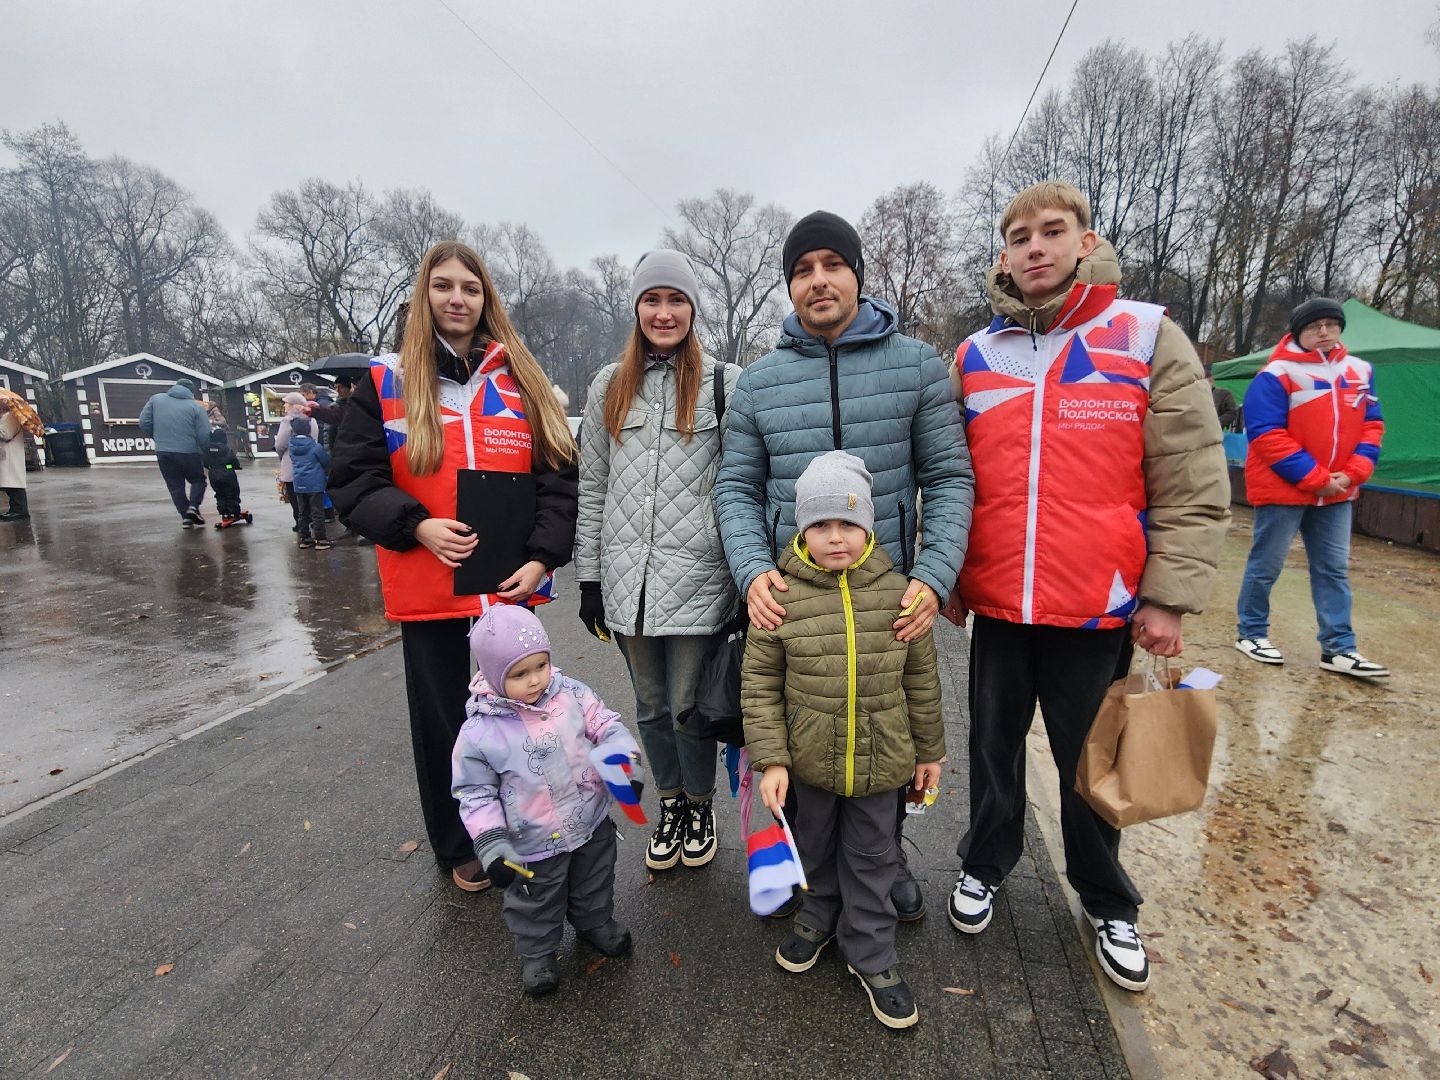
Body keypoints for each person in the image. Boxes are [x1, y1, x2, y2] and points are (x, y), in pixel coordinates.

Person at [946, 181, 1229, 993]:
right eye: (1019, 236)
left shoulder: (1144, 334)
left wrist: (1169, 594)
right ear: (1003, 255)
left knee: (1092, 762)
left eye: (1051, 231)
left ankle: (1107, 900)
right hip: (1000, 603)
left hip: (1097, 602)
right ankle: (984, 864)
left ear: (1084, 239)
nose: (1035, 247)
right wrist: (954, 573)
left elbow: (1190, 472)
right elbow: (951, 475)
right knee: (993, 750)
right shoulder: (973, 353)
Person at [714, 210, 973, 923]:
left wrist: (933, 574)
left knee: (885, 733)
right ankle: (811, 875)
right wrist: (751, 569)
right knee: (802, 736)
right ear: (789, 285)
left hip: (888, 597)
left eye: (833, 264)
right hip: (792, 601)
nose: (818, 280)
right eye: (802, 269)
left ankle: (880, 864)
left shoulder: (918, 366)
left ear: (859, 274)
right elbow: (734, 486)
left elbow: (949, 477)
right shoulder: (760, 383)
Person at [329, 240, 578, 892]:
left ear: (486, 298)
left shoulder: (519, 380)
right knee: (445, 724)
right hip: (428, 585)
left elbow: (557, 479)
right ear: (425, 296)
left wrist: (543, 555)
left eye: (470, 287)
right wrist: (416, 524)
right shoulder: (385, 382)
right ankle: (459, 843)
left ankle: (527, 823)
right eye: (443, 286)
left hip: (507, 589)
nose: (457, 297)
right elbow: (352, 482)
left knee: (525, 717)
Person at [743, 452, 943, 1029]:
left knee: (874, 857)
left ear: (870, 526)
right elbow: (759, 685)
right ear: (802, 528)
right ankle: (817, 914)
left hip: (883, 764)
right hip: (810, 763)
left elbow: (922, 681)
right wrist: (772, 760)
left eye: (849, 524)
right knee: (815, 844)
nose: (836, 538)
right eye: (822, 525)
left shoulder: (901, 593)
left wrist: (929, 751)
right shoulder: (780, 596)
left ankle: (872, 951)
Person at [575, 250, 741, 873]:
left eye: (676, 300)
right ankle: (670, 802)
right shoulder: (606, 387)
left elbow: (740, 483)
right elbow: (593, 485)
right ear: (636, 308)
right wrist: (588, 575)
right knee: (648, 704)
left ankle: (699, 804)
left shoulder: (725, 383)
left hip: (698, 577)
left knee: (688, 705)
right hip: (627, 583)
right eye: (652, 300)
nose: (663, 312)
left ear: (693, 309)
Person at [452, 605, 640, 996]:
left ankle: (594, 921)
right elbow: (475, 792)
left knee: (595, 877)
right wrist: (491, 842)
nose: (535, 680)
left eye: (540, 666)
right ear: (491, 674)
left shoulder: (570, 693)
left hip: (589, 818)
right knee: (534, 899)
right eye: (519, 674)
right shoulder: (480, 733)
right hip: (531, 839)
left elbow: (604, 724)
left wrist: (621, 763)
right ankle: (537, 951)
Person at [1235, 298, 1387, 678]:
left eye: (1330, 324)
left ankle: (1338, 648)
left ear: (1339, 328)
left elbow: (1373, 426)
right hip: (1287, 491)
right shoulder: (1275, 374)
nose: (1323, 332)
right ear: (1297, 332)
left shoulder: (1361, 371)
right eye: (1314, 326)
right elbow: (1267, 436)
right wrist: (1319, 480)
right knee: (1266, 565)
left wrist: (1354, 473)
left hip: (1338, 493)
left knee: (1333, 570)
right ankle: (1251, 633)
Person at [138, 377, 212, 528]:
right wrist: (207, 453)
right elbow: (204, 435)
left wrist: (158, 437)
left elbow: (143, 422)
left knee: (175, 485)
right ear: (191, 391)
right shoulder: (196, 407)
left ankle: (186, 517)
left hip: (163, 451)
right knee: (198, 480)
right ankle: (193, 507)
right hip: (189, 452)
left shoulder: (156, 400)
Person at [273, 393, 319, 534]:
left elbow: (280, 444)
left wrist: (282, 456)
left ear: (293, 405)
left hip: (291, 463)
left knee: (295, 496)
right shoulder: (312, 420)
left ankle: (300, 525)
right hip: (311, 464)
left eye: (286, 403)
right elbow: (315, 440)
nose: (284, 406)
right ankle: (311, 522)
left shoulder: (287, 421)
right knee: (311, 498)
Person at [286, 417, 332, 549]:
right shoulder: (315, 447)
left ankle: (305, 538)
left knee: (302, 512)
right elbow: (326, 461)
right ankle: (321, 539)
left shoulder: (292, 446)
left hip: (299, 483)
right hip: (315, 483)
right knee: (317, 511)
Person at [0, 389, 38, 522]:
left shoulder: (10, 417)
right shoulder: (7, 416)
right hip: (8, 454)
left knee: (14, 482)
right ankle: (14, 509)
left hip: (11, 455)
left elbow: (5, 434)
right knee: (10, 483)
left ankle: (20, 510)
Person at [203, 428, 248, 526]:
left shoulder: (207, 449)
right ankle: (233, 512)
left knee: (220, 494)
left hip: (213, 474)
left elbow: (205, 462)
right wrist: (233, 466)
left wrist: (213, 467)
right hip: (227, 474)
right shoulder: (226, 448)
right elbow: (233, 461)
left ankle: (224, 513)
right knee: (231, 493)